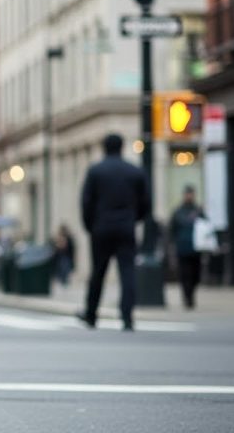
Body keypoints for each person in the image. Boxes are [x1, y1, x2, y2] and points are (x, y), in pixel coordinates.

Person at [78, 134, 149, 332]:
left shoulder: (96, 171)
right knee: (127, 273)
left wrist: (90, 226)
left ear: (104, 148)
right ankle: (127, 316)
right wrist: (134, 219)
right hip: (126, 227)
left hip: (101, 228)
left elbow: (86, 202)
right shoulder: (134, 171)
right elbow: (146, 202)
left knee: (98, 272)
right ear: (122, 147)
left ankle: (91, 314)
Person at [169, 185, 205, 310]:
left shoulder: (198, 211)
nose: (189, 196)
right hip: (182, 247)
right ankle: (187, 297)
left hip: (196, 248)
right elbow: (172, 230)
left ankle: (191, 293)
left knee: (195, 274)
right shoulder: (178, 212)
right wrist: (172, 245)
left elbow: (205, 227)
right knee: (185, 274)